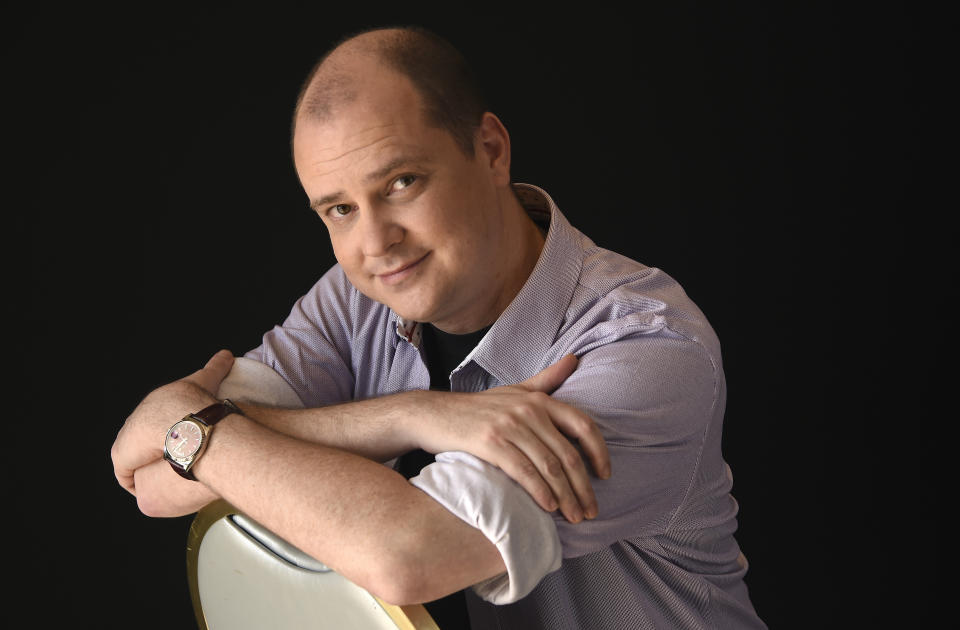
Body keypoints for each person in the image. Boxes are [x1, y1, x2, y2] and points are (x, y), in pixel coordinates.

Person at [111, 25, 766, 629]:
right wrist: (410, 416)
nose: (375, 242)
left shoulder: (644, 344)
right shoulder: (355, 300)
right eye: (338, 209)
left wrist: (195, 426)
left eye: (401, 182)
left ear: (490, 150)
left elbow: (406, 555)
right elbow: (154, 483)